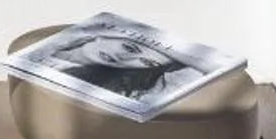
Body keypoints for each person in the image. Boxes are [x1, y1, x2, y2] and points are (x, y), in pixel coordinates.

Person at [46, 29, 197, 103]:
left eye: (146, 63)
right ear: (107, 34)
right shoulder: (47, 43)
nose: (125, 58)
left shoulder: (107, 85)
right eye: (129, 48)